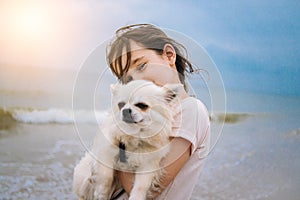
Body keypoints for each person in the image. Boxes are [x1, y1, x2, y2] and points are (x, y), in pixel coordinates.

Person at [106, 23, 210, 200]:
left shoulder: (189, 110)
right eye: (128, 78)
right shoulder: (148, 118)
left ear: (169, 55)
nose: (137, 81)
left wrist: (118, 146)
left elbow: (144, 191)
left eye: (141, 66)